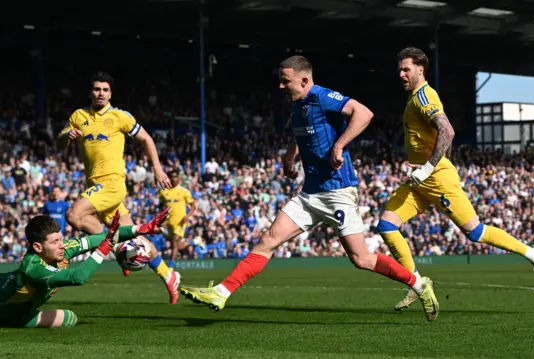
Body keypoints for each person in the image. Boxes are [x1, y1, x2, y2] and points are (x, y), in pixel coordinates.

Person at [180, 55, 440, 322]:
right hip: (310, 194)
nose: (281, 86)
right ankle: (222, 292)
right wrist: (290, 154)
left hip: (338, 192)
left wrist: (339, 145)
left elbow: (364, 114)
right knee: (268, 239)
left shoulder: (322, 96)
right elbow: (303, 131)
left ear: (304, 80)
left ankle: (420, 285)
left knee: (361, 259)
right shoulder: (296, 104)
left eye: (286, 81)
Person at [377, 47, 534, 311]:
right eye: (399, 69)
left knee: (476, 232)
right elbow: (439, 138)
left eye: (406, 69)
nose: (400, 74)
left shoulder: (424, 96)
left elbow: (447, 130)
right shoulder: (415, 97)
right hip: (419, 180)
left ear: (420, 69)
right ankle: (417, 283)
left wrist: (428, 167)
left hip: (436, 179)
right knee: (387, 225)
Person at [57, 71, 180, 304]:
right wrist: (67, 136)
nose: (100, 93)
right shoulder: (78, 116)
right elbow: (60, 143)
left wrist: (158, 169)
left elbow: (147, 139)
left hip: (112, 184)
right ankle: (168, 274)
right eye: (96, 89)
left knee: (74, 215)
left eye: (104, 90)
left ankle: (111, 248)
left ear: (110, 93)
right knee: (132, 237)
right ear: (90, 92)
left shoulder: (120, 117)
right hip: (96, 186)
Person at [0, 208, 169, 328]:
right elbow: (77, 278)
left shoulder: (58, 250)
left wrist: (144, 228)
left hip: (1, 294)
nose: (61, 245)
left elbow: (100, 237)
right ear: (38, 247)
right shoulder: (34, 268)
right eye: (55, 242)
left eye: (61, 239)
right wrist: (104, 249)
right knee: (69, 319)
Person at [158, 171, 197, 267]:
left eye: (176, 178)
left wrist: (187, 216)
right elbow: (160, 206)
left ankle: (170, 267)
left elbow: (193, 206)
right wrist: (162, 219)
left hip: (180, 222)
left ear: (179, 180)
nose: (174, 179)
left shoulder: (184, 191)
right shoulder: (163, 192)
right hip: (169, 223)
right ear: (169, 179)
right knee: (174, 245)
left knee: (175, 241)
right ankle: (191, 242)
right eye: (172, 177)